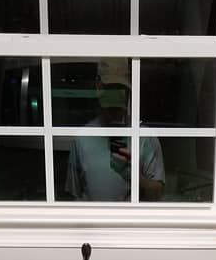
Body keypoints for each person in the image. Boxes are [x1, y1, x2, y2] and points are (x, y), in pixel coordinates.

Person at [65, 59, 165, 202]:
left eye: (121, 89)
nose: (116, 97)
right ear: (99, 88)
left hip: (131, 221)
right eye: (110, 89)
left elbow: (158, 194)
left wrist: (135, 177)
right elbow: (74, 195)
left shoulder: (145, 137)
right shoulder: (82, 137)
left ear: (128, 92)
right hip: (93, 221)